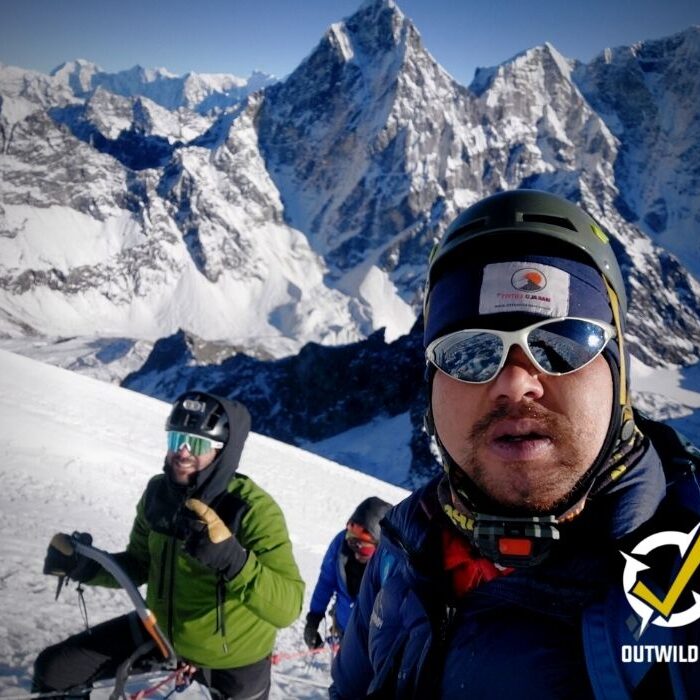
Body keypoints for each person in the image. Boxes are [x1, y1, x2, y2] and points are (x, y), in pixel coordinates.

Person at [330, 190, 700, 698]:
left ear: (618, 377)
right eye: (468, 352)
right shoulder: (402, 550)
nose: (514, 383)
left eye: (562, 342)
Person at [34, 391, 305, 699]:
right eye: (177, 440)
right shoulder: (158, 495)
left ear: (222, 451)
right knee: (55, 670)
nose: (184, 452)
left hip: (235, 659)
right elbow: (139, 564)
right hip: (161, 635)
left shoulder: (252, 510)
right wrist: (84, 566)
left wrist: (234, 560)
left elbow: (288, 607)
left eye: (198, 443)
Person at [303, 497, 392, 649]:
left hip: (374, 641)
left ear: (380, 546)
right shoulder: (340, 544)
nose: (356, 552)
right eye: (352, 541)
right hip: (344, 628)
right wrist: (314, 618)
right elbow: (326, 582)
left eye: (363, 548)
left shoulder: (390, 564)